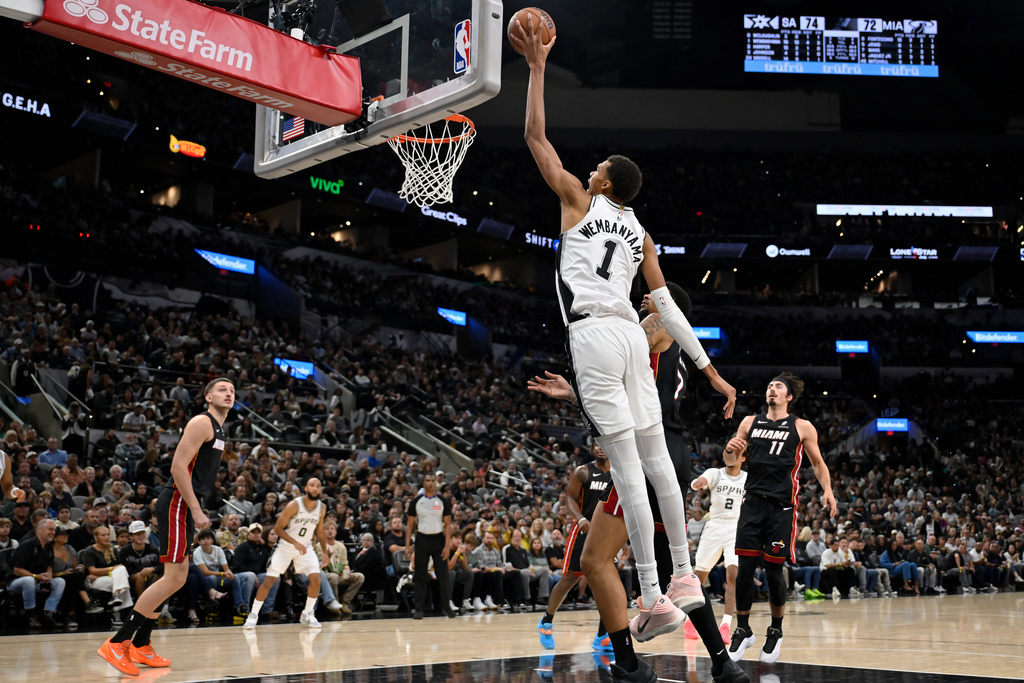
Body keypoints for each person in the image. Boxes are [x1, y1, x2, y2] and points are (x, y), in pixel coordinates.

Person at [512, 15, 723, 641]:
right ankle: (684, 575)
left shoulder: (578, 196)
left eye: (596, 164)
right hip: (635, 332)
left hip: (595, 334)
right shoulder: (641, 236)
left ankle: (655, 594)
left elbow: (533, 136)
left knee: (627, 462)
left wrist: (538, 67)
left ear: (602, 180)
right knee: (657, 458)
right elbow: (668, 306)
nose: (589, 166)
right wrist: (706, 366)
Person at [97, 377, 234, 676]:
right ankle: (118, 642)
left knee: (177, 577)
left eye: (232, 390)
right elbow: (176, 467)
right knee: (174, 577)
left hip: (186, 503)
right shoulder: (203, 422)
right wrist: (196, 509)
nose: (229, 393)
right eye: (222, 389)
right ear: (208, 397)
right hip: (177, 503)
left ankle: (142, 644)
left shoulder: (220, 429)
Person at [726, 372, 837, 665]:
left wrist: (828, 491)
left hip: (781, 508)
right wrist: (730, 450)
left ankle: (775, 629)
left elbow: (817, 463)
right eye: (769, 386)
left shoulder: (802, 426)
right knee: (744, 569)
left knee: (775, 571)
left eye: (778, 387)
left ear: (789, 397)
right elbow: (731, 465)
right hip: (752, 503)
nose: (772, 389)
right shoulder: (749, 422)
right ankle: (743, 629)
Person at [534, 443, 613, 651]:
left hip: (606, 534)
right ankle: (546, 622)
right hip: (583, 532)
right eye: (597, 443)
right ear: (592, 447)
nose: (601, 447)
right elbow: (569, 497)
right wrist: (579, 519)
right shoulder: (583, 471)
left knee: (608, 584)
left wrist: (622, 540)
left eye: (604, 442)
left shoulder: (617, 473)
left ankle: (602, 636)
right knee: (570, 577)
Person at [244, 477, 331, 629]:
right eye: (312, 485)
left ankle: (308, 613)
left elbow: (321, 531)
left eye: (318, 486)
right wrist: (295, 543)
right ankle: (253, 615)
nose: (315, 488)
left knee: (316, 579)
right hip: (285, 546)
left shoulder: (321, 508)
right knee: (270, 580)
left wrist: (324, 552)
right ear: (305, 488)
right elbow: (278, 528)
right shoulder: (294, 505)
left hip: (306, 547)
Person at [688, 444, 748, 641]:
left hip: (735, 528)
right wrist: (698, 483)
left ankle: (725, 624)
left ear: (743, 459)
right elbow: (703, 479)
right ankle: (691, 621)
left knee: (733, 574)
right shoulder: (716, 473)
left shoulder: (747, 479)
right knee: (699, 577)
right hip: (714, 525)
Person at [405, 472, 454, 619]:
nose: (431, 483)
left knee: (443, 576)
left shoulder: (443, 501)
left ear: (436, 483)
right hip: (422, 540)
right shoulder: (416, 501)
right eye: (428, 480)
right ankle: (419, 608)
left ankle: (446, 606)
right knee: (420, 575)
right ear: (423, 483)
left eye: (433, 480)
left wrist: (447, 546)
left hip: (438, 540)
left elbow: (448, 525)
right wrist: (407, 545)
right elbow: (409, 525)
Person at [10, 518, 66, 629]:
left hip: (38, 580)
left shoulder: (49, 547)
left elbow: (49, 565)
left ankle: (48, 614)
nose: (53, 532)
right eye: (50, 529)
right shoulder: (27, 545)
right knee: (29, 580)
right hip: (16, 582)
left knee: (60, 581)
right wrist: (36, 576)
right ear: (40, 530)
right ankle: (31, 616)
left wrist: (49, 574)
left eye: (54, 530)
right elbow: (17, 570)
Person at [192, 528, 247, 621]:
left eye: (208, 538)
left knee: (235, 577)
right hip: (204, 581)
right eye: (202, 539)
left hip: (219, 578)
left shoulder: (218, 550)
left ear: (212, 540)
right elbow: (205, 572)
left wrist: (229, 574)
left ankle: (239, 606)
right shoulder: (197, 552)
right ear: (199, 541)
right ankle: (211, 606)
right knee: (212, 578)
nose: (205, 541)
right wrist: (223, 574)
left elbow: (226, 568)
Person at [320, 521, 363, 615]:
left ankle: (344, 602)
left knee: (359, 576)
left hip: (339, 574)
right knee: (333, 577)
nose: (330, 531)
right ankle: (333, 603)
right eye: (327, 529)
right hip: (325, 576)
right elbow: (320, 567)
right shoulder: (319, 546)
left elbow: (345, 563)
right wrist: (328, 556)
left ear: (336, 531)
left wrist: (346, 572)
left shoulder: (341, 546)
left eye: (332, 529)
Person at [118, 520, 161, 601]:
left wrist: (152, 569)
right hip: (131, 578)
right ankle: (141, 604)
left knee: (163, 575)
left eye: (142, 533)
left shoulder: (153, 549)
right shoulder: (124, 551)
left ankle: (161, 606)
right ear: (131, 536)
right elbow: (123, 570)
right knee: (141, 576)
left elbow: (162, 566)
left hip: (151, 576)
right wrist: (142, 571)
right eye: (138, 534)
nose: (141, 536)